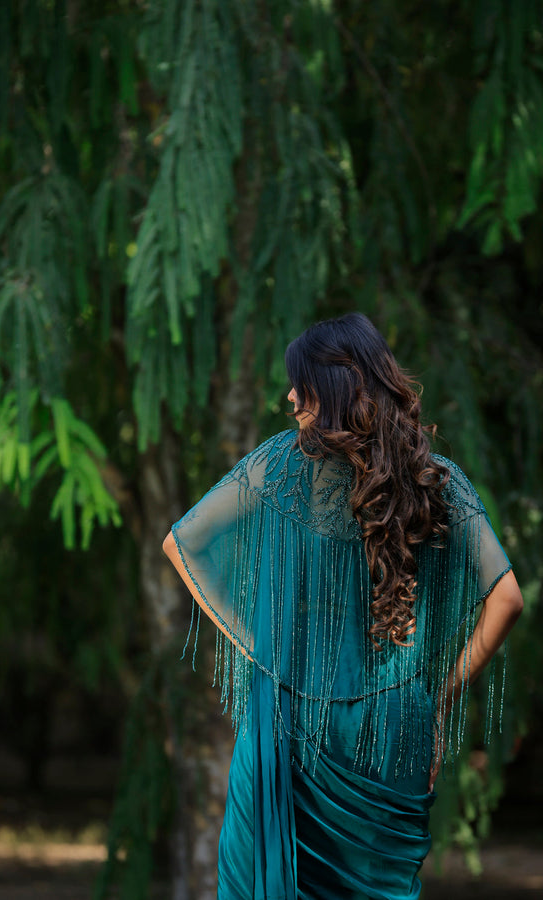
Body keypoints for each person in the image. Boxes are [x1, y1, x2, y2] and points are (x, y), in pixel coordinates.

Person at [162, 313, 523, 900]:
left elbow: (181, 544)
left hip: (290, 722)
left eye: (298, 381)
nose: (289, 396)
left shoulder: (278, 468)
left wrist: (257, 643)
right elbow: (506, 600)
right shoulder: (438, 480)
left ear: (329, 388)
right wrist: (439, 700)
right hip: (392, 728)